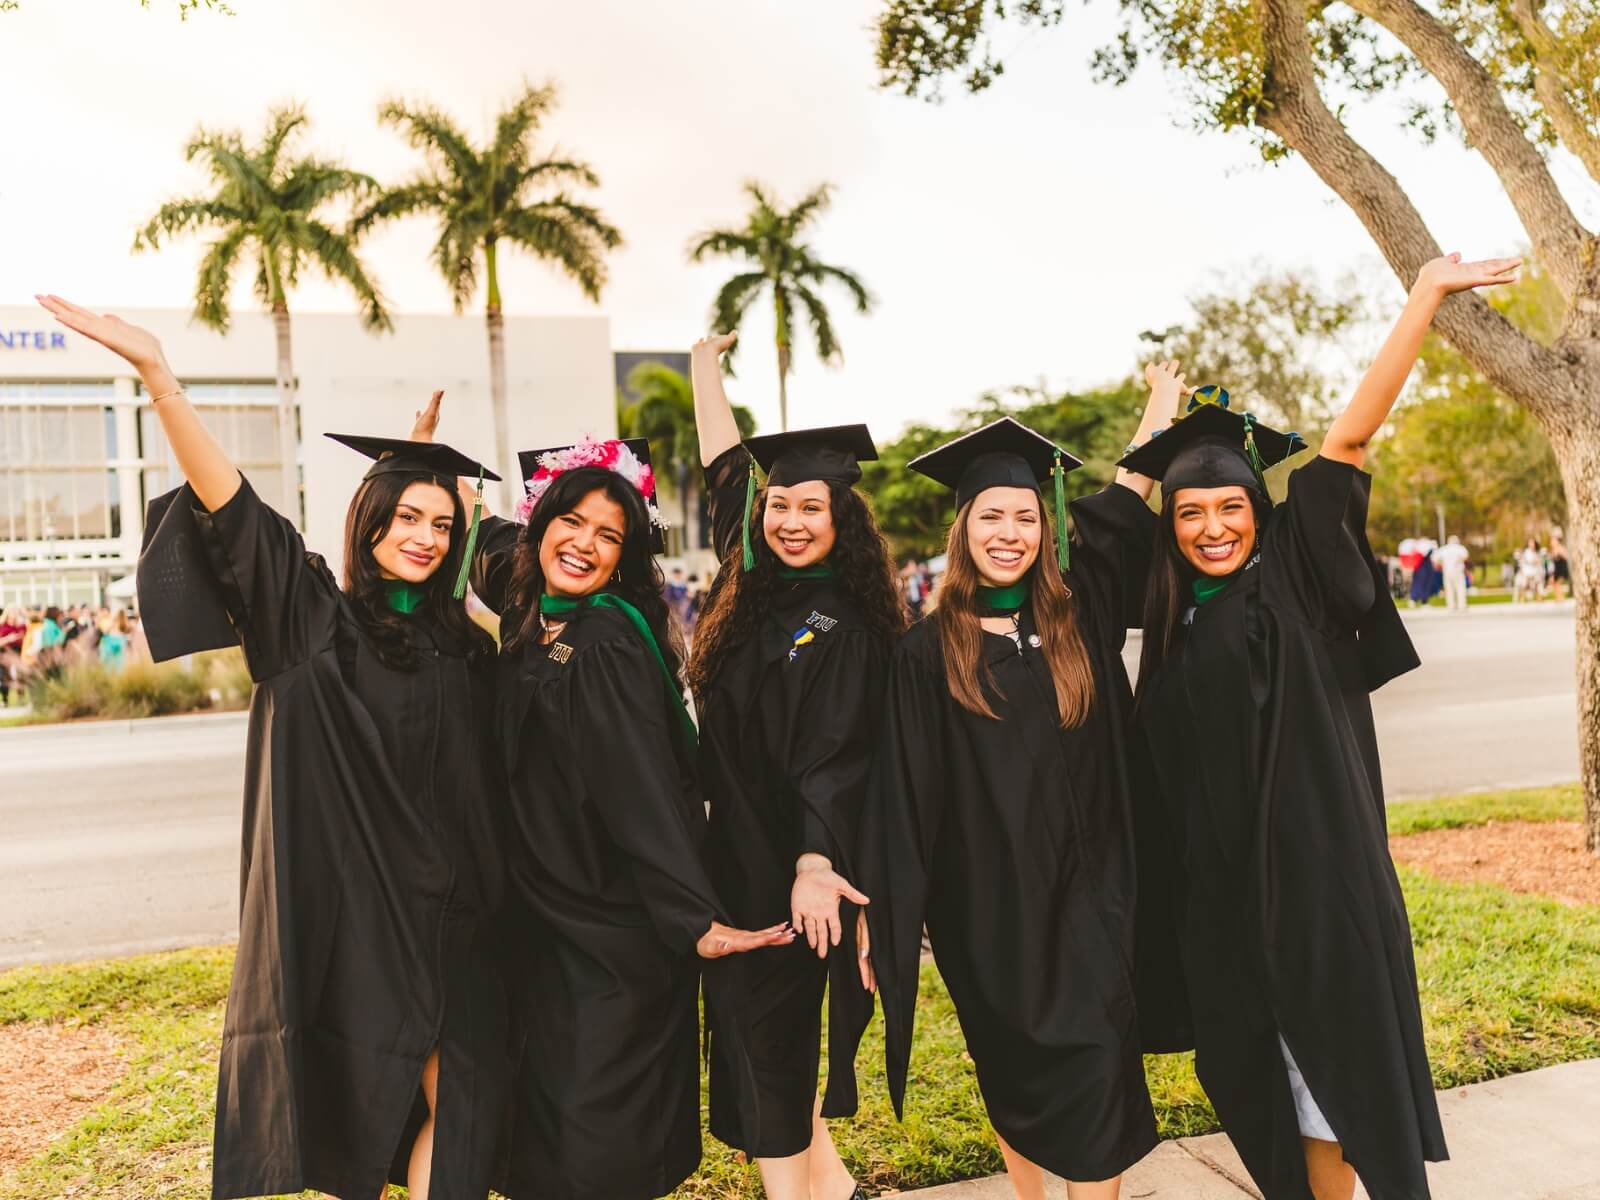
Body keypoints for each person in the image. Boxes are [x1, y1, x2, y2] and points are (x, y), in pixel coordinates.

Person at [37, 294, 515, 1200]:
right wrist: (160, 377)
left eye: (442, 524)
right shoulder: (313, 623)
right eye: (405, 517)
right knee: (366, 1103)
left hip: (460, 912)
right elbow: (236, 513)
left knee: (466, 1105)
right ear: (369, 523)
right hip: (360, 915)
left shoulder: (468, 645)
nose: (424, 537)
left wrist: (421, 463)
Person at [1121, 251, 1520, 1200]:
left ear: (1258, 511)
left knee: (1339, 1091)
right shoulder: (1169, 636)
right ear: (1169, 527)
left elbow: (1349, 436)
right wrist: (1149, 428)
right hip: (1226, 913)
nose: (1213, 526)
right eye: (1190, 513)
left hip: (1322, 895)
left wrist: (1422, 297)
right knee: (1269, 1090)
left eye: (1231, 506)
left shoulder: (1293, 581)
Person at [857, 362, 1192, 1200]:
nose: (1009, 533)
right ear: (963, 527)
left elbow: (1127, 499)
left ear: (1047, 530)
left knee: (1096, 1064)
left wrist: (1160, 404)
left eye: (1026, 518)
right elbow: (901, 795)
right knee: (1009, 1064)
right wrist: (888, 918)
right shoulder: (924, 653)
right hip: (990, 912)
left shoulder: (1078, 609)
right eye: (992, 517)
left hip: (1096, 895)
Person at [462, 426, 793, 1200]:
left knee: (595, 1148)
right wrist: (433, 475)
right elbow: (489, 548)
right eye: (570, 522)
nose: (584, 544)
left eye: (609, 535)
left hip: (610, 933)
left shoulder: (605, 638)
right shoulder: (536, 614)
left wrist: (695, 919)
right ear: (540, 526)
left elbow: (644, 793)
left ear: (626, 557)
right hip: (548, 926)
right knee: (550, 1139)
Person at [686, 330, 908, 1200]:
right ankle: (838, 1190)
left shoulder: (846, 627)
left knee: (772, 1052)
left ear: (840, 519)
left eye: (811, 508)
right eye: (780, 506)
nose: (789, 521)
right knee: (754, 1048)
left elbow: (834, 755)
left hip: (797, 867)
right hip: (733, 853)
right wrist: (705, 364)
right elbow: (723, 470)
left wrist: (815, 863)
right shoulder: (748, 590)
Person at [1436, 534, 1470, 612]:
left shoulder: (1444, 549)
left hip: (1447, 570)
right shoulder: (1460, 548)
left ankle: (1451, 605)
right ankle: (1462, 605)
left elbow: (1436, 559)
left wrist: (1443, 564)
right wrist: (1458, 561)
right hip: (1458, 570)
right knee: (1460, 587)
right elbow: (1465, 557)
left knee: (1448, 588)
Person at [1549, 527, 1569, 601]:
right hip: (1556, 569)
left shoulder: (1560, 548)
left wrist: (1560, 554)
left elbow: (1566, 556)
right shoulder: (1553, 550)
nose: (1552, 542)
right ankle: (1558, 598)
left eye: (1553, 540)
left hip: (1562, 569)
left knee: (1558, 584)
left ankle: (1561, 598)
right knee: (1554, 584)